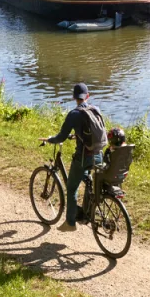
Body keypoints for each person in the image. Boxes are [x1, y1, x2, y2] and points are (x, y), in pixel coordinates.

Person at [40, 82, 106, 232]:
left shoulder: (74, 114)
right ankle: (87, 213)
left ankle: (70, 223)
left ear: (73, 97)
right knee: (88, 181)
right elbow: (93, 134)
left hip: (83, 157)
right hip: (99, 155)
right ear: (87, 96)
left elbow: (61, 137)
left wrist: (50, 140)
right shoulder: (96, 110)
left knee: (71, 187)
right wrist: (76, 135)